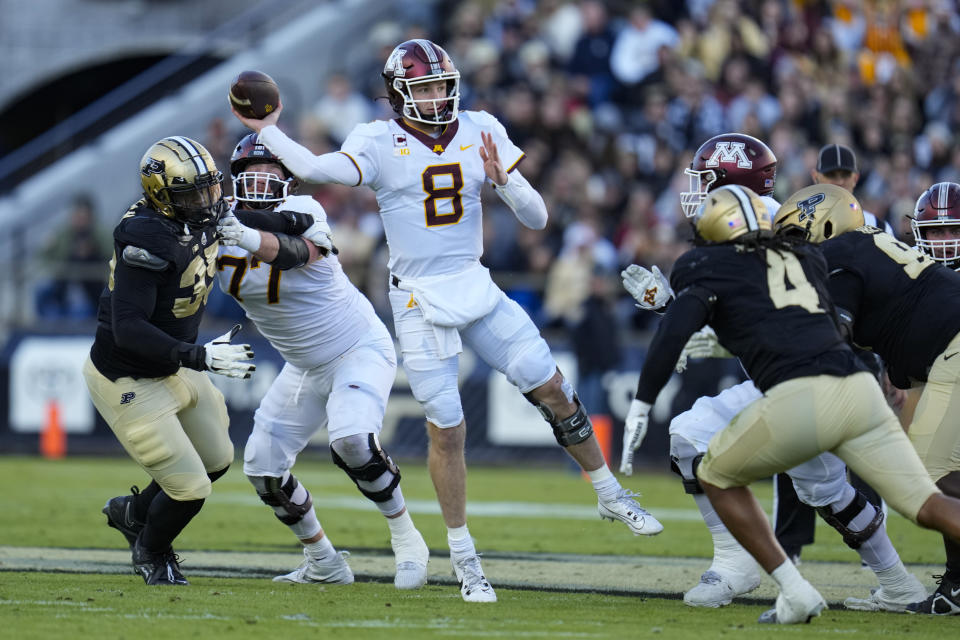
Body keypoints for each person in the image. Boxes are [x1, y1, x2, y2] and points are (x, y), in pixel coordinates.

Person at [231, 38, 663, 603]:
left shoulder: (480, 125)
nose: (438, 97)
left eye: (442, 86)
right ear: (397, 95)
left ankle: (608, 491)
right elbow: (312, 166)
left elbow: (537, 219)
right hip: (416, 299)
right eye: (426, 88)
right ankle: (465, 559)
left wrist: (503, 180)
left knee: (553, 386)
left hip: (475, 283)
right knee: (448, 428)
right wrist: (268, 126)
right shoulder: (376, 139)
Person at [626, 183, 960, 625]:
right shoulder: (834, 251)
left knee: (713, 466)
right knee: (916, 497)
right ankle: (905, 585)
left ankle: (781, 582)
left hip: (813, 384)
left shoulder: (822, 256)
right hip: (856, 383)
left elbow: (800, 329)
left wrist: (666, 353)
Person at [213, 132, 429, 589]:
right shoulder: (215, 228)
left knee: (352, 441)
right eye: (250, 171)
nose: (259, 178)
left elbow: (294, 254)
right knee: (262, 468)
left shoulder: (306, 211)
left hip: (356, 347)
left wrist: (247, 234)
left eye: (270, 170)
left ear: (288, 178)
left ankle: (406, 537)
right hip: (303, 366)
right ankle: (324, 562)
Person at [776, 182, 960, 615]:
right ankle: (956, 586)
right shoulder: (867, 246)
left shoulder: (837, 256)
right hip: (944, 353)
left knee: (925, 475)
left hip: (954, 347)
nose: (796, 251)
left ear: (825, 225)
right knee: (940, 470)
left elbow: (834, 333)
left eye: (798, 237)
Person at [85, 136, 256, 585]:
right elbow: (130, 328)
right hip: (129, 375)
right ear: (161, 197)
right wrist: (199, 356)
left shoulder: (207, 209)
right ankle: (152, 549)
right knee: (190, 488)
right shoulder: (146, 235)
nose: (205, 202)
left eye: (208, 189)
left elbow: (255, 216)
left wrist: (299, 227)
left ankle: (132, 513)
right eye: (191, 195)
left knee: (217, 459)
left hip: (173, 364)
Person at [774, 142, 898, 565]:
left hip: (859, 346)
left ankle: (873, 544)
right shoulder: (796, 220)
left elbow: (888, 295)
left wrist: (885, 359)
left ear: (855, 179)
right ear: (816, 177)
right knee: (792, 444)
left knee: (866, 448)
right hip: (810, 345)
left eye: (845, 176)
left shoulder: (876, 224)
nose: (839, 182)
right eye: (833, 175)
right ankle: (789, 546)